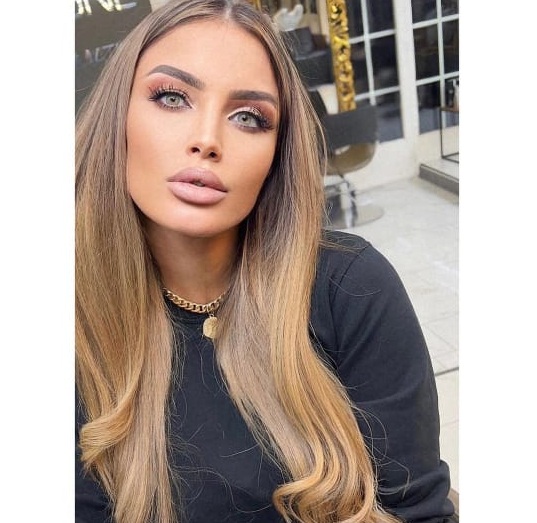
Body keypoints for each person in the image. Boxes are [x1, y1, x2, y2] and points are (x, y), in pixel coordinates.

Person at [75, 1, 455, 522]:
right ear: (116, 117)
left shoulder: (351, 288)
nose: (206, 140)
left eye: (248, 118)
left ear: (278, 153)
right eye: (172, 97)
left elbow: (418, 511)